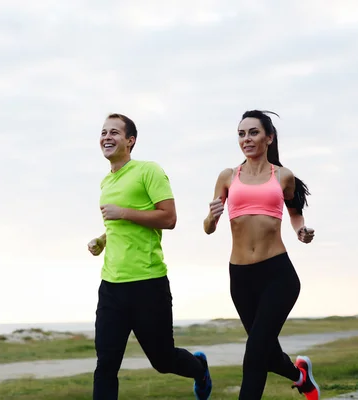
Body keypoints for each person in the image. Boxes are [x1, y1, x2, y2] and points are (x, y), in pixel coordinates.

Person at [88, 113, 212, 400]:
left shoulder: (149, 171)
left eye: (114, 133)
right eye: (103, 132)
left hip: (148, 283)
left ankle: (200, 369)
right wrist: (102, 240)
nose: (107, 137)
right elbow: (118, 226)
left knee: (163, 360)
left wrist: (124, 213)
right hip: (111, 286)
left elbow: (169, 218)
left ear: (130, 141)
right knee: (106, 365)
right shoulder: (105, 183)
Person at [203, 110, 320, 400]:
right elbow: (208, 228)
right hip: (241, 276)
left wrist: (301, 231)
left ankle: (298, 376)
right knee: (265, 351)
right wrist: (212, 216)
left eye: (253, 132)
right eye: (241, 134)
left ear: (269, 137)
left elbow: (295, 214)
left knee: (254, 353)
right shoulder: (228, 176)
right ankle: (300, 376)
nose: (246, 139)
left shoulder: (283, 176)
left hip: (277, 274)